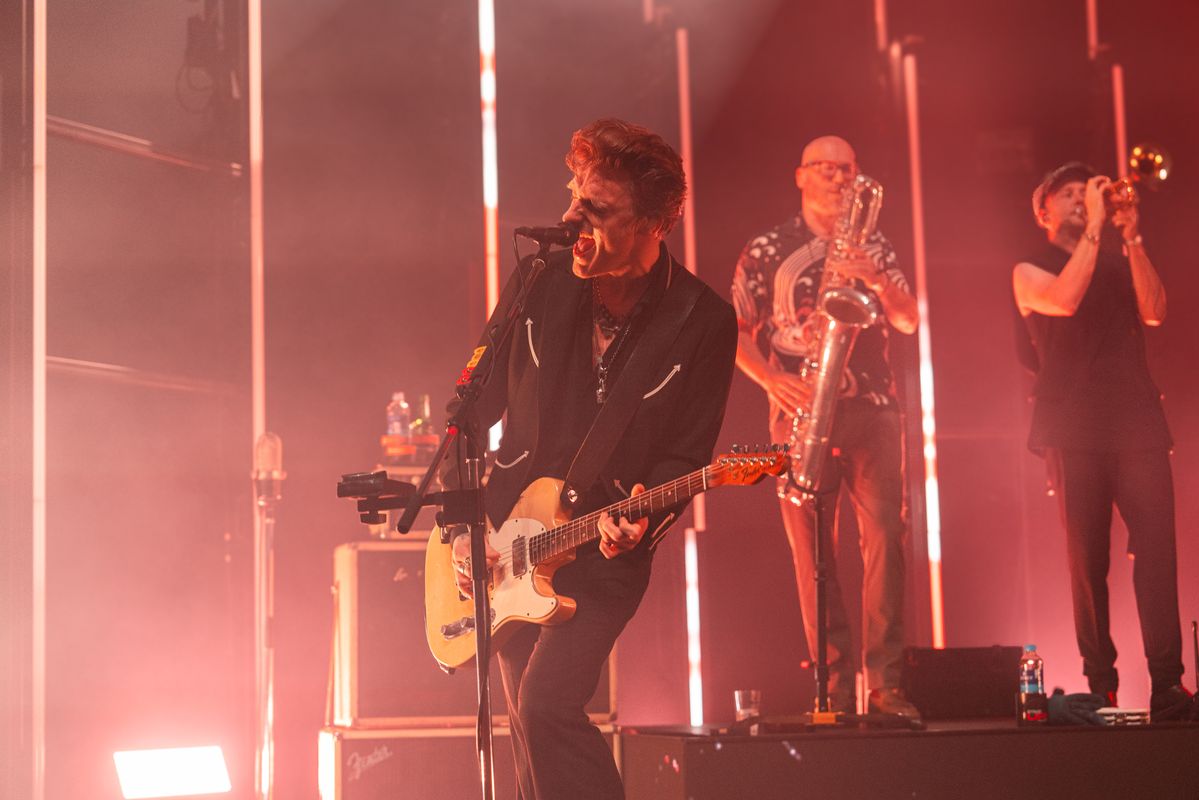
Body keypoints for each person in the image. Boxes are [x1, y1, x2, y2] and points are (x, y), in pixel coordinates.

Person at [448, 118, 738, 799]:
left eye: (598, 210)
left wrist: (642, 520)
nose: (571, 219)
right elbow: (470, 413)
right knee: (527, 726)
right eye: (574, 197)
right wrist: (463, 527)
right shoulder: (539, 282)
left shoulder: (701, 320)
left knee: (546, 705)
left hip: (604, 552)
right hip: (508, 542)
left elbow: (684, 455)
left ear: (654, 223)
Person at [731, 135, 920, 719]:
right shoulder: (767, 248)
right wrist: (771, 380)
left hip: (871, 406)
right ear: (801, 175)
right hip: (798, 408)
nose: (838, 178)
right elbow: (734, 332)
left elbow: (908, 319)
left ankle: (885, 686)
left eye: (847, 169)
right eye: (826, 168)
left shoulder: (874, 242)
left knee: (886, 538)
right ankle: (832, 690)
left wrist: (878, 278)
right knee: (811, 553)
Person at [1012, 162, 1193, 720]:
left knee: (1158, 553)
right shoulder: (1030, 268)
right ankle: (1102, 685)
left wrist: (1131, 236)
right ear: (1043, 213)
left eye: (1085, 192)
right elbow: (1065, 300)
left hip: (1137, 419)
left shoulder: (1116, 261)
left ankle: (1168, 684)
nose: (1080, 199)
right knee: (1088, 563)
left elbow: (1155, 311)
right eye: (1067, 193)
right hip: (1073, 427)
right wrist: (1095, 226)